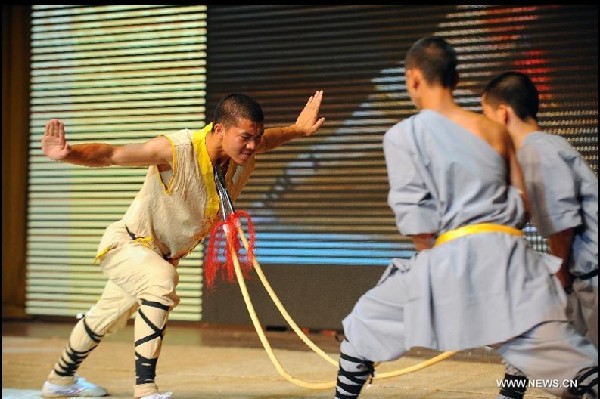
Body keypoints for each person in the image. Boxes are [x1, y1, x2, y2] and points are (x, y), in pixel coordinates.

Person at [333, 36, 598, 399]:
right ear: (456, 80)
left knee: (368, 319)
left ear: (412, 79)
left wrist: (438, 272)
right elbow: (521, 206)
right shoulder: (495, 131)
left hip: (456, 256)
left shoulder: (403, 135)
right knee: (556, 352)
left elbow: (417, 221)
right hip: (510, 257)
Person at [40, 91, 325, 399]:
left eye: (256, 137)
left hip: (156, 257)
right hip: (129, 246)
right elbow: (114, 153)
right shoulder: (176, 149)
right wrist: (69, 154)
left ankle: (59, 381)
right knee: (161, 280)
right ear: (219, 130)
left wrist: (297, 130)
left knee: (103, 317)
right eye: (245, 137)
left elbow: (269, 139)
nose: (253, 145)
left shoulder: (240, 152)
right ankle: (145, 390)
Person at [481, 71, 598, 399]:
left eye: (487, 116)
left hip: (588, 278)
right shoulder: (539, 150)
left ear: (502, 113)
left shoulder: (537, 151)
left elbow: (562, 226)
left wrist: (558, 279)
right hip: (581, 279)